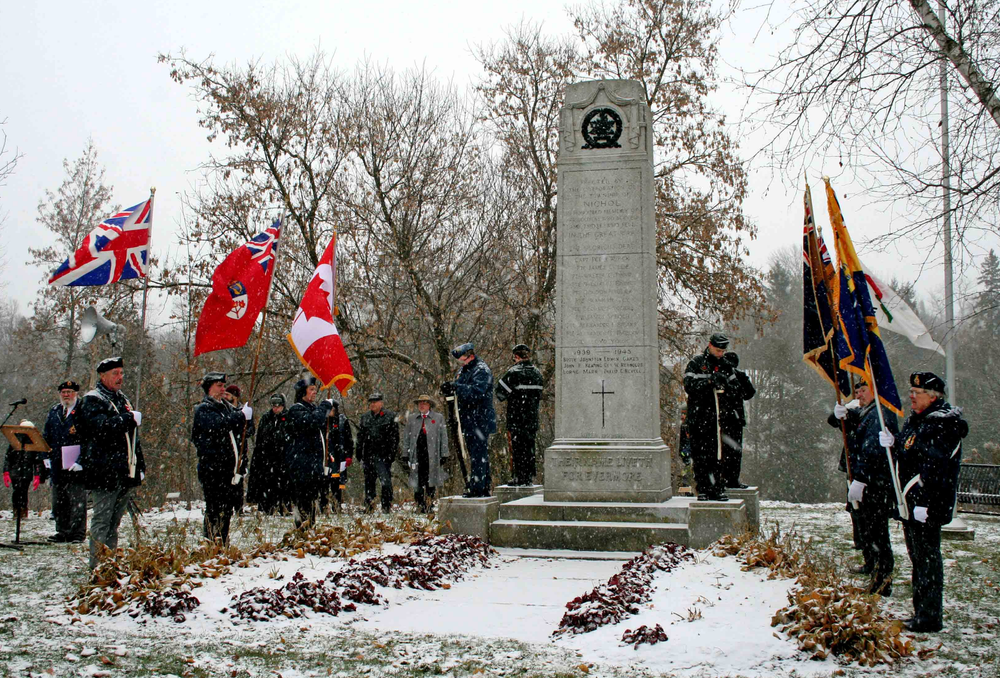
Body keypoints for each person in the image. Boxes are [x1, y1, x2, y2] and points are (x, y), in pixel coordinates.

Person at [893, 371, 967, 633]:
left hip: (927, 503)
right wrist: (894, 444)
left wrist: (927, 503)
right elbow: (911, 452)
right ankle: (921, 610)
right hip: (912, 502)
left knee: (927, 561)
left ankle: (930, 616)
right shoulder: (919, 420)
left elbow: (937, 468)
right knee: (918, 559)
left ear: (933, 397)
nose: (911, 396)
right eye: (912, 392)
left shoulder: (942, 424)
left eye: (918, 393)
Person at [828, 379, 898, 595]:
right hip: (869, 479)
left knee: (878, 533)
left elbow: (872, 450)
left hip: (875, 482)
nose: (859, 394)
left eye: (863, 390)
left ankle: (883, 580)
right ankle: (877, 573)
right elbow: (843, 424)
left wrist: (861, 479)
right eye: (857, 390)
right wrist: (842, 413)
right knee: (869, 529)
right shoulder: (866, 411)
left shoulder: (879, 412)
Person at [75, 356, 146, 569]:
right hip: (103, 470)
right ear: (102, 376)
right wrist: (128, 419)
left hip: (124, 469)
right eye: (115, 374)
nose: (120, 378)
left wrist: (139, 465)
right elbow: (101, 429)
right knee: (102, 521)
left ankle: (110, 563)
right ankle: (97, 566)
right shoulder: (92, 400)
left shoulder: (121, 399)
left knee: (114, 523)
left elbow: (133, 439)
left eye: (122, 373)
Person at [191, 372, 253, 544]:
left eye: (223, 385)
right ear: (209, 388)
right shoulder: (203, 409)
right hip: (213, 469)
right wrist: (240, 416)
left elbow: (245, 431)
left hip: (228, 469)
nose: (223, 389)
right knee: (214, 508)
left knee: (226, 510)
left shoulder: (226, 407)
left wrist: (247, 417)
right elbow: (218, 426)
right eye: (219, 386)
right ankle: (211, 543)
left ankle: (222, 542)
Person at [682, 334, 740, 501]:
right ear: (710, 345)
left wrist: (726, 384)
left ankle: (717, 488)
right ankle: (704, 489)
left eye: (723, 351)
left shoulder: (726, 366)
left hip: (719, 419)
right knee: (700, 455)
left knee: (719, 455)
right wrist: (709, 382)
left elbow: (737, 389)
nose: (720, 354)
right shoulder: (696, 364)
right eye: (718, 350)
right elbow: (689, 386)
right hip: (700, 417)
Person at [441, 343, 496, 497]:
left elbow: (477, 392)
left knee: (479, 453)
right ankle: (482, 486)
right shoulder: (465, 370)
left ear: (470, 356)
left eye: (462, 359)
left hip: (480, 418)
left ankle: (478, 487)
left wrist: (457, 387)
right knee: (476, 453)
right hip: (468, 419)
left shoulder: (481, 370)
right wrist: (451, 387)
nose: (461, 362)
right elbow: (462, 387)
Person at [284, 377, 336, 528]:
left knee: (312, 497)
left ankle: (309, 526)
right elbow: (312, 423)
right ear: (302, 392)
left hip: (313, 462)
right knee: (303, 499)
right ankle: (302, 529)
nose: (315, 392)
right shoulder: (296, 409)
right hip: (302, 463)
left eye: (315, 389)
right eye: (311, 389)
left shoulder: (312, 408)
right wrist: (325, 407)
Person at [43, 380, 87, 543]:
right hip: (56, 461)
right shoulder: (55, 411)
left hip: (75, 461)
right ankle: (62, 530)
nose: (66, 395)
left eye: (69, 392)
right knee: (59, 498)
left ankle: (77, 532)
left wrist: (81, 460)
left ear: (76, 393)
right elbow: (46, 434)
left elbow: (88, 438)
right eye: (64, 392)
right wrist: (44, 456)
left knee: (76, 499)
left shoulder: (82, 410)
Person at [495, 344, 544, 486]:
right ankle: (528, 476)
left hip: (516, 417)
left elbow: (500, 394)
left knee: (517, 448)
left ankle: (520, 476)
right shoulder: (537, 374)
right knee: (530, 447)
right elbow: (539, 394)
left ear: (516, 356)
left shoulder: (513, 373)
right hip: (532, 418)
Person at [402, 395, 449, 512]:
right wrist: (405, 453)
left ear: (429, 405)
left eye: (424, 403)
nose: (422, 405)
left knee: (431, 479)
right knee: (418, 480)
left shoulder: (438, 418)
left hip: (432, 454)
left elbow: (444, 436)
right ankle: (420, 503)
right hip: (417, 453)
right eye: (420, 403)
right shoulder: (412, 419)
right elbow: (406, 437)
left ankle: (429, 503)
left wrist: (444, 454)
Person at [356, 392, 399, 513]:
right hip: (368, 455)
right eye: (371, 402)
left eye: (375, 402)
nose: (372, 404)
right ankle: (369, 505)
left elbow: (394, 438)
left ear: (381, 403)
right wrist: (358, 452)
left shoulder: (390, 416)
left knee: (385, 482)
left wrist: (391, 454)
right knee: (369, 482)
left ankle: (386, 505)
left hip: (383, 455)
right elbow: (360, 436)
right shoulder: (365, 417)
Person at [247, 393, 289, 514]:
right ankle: (267, 507)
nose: (275, 408)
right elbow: (261, 438)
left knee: (282, 485)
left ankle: (283, 507)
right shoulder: (266, 418)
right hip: (267, 458)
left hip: (282, 458)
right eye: (273, 405)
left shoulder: (288, 417)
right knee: (267, 483)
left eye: (278, 405)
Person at [719, 352, 756, 489]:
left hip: (728, 419)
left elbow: (749, 393)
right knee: (730, 451)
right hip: (729, 418)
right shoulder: (727, 375)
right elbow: (749, 393)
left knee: (729, 451)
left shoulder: (735, 376)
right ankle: (729, 479)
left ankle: (728, 479)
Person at [222, 383, 254, 514]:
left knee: (239, 476)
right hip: (229, 448)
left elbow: (251, 429)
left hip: (241, 447)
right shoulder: (225, 409)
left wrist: (244, 431)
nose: (225, 397)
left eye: (228, 395)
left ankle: (239, 507)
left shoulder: (243, 409)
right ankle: (228, 505)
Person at [3, 420, 42, 521]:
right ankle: (17, 512)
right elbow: (8, 458)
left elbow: (37, 460)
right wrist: (6, 471)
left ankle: (23, 512)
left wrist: (37, 474)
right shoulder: (14, 442)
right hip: (16, 472)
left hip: (26, 472)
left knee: (23, 492)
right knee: (17, 492)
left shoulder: (33, 444)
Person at [323, 396, 354, 512]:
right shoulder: (323, 420)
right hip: (326, 455)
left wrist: (349, 455)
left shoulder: (342, 420)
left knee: (337, 482)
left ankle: (337, 505)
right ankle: (324, 505)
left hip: (339, 455)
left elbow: (348, 439)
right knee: (325, 481)